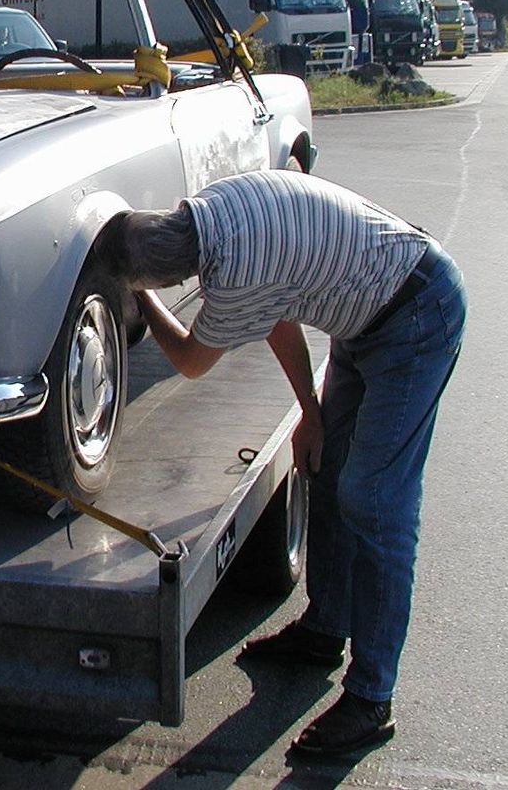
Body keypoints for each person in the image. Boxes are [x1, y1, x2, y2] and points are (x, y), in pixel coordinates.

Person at [105, 168, 465, 756]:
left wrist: (138, 290)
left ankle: (372, 701)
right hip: (368, 310)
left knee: (374, 501)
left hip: (418, 317)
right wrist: (311, 414)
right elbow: (279, 308)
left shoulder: (237, 273)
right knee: (324, 469)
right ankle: (325, 630)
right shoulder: (217, 206)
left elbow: (192, 361)